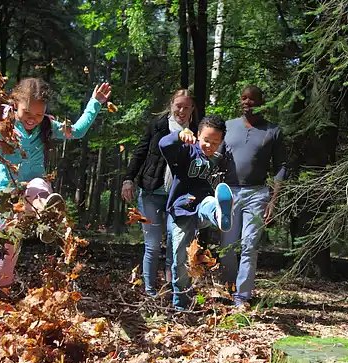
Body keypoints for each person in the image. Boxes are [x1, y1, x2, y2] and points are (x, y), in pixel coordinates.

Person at [0, 77, 111, 289]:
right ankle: (2, 296)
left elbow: (77, 131)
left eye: (39, 114)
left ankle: (46, 213)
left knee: (38, 185)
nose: (32, 119)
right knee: (8, 250)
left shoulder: (47, 126)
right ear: (15, 105)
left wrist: (95, 103)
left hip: (34, 191)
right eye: (27, 113)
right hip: (5, 195)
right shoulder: (2, 125)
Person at [121, 90, 198, 296]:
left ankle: (173, 289)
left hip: (179, 198)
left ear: (192, 109)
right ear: (171, 104)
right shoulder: (158, 126)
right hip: (151, 192)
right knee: (153, 245)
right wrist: (128, 179)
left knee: (176, 244)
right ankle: (150, 291)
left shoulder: (196, 132)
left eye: (186, 107)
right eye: (178, 106)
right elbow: (140, 152)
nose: (182, 111)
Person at [220, 85, 287, 307]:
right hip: (228, 193)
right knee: (227, 246)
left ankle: (242, 296)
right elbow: (215, 156)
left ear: (261, 102)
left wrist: (274, 200)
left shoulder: (272, 131)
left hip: (257, 193)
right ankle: (229, 288)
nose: (246, 102)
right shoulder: (228, 127)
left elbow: (281, 166)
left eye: (251, 99)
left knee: (249, 245)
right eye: (243, 98)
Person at [159, 115, 233, 311]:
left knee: (209, 203)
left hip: (202, 207)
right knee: (180, 259)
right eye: (206, 140)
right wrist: (179, 136)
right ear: (198, 134)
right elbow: (164, 145)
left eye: (215, 143)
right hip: (181, 210)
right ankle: (181, 304)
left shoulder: (219, 160)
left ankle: (219, 215)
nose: (210, 146)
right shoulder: (187, 151)